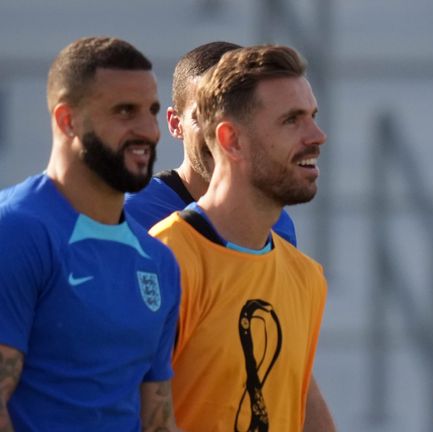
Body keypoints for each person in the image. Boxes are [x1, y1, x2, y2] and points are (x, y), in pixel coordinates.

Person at [127, 41, 334, 431]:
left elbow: (300, 395)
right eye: (292, 120)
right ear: (230, 139)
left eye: (312, 116)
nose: (318, 135)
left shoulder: (306, 278)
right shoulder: (163, 258)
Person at [0, 37, 181, 431]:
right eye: (124, 112)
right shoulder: (14, 232)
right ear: (68, 121)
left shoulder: (159, 260)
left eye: (151, 111)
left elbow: (157, 419)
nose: (149, 131)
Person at [125, 41, 297, 246]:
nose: (222, 133)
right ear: (175, 123)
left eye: (240, 115)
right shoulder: (131, 216)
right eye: (205, 115)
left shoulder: (276, 225)